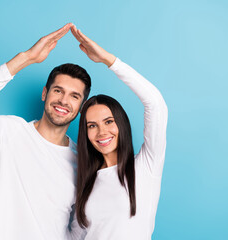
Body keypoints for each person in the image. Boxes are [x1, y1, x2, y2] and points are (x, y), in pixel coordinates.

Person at [0, 23, 91, 240]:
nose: (63, 100)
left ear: (81, 107)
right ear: (45, 93)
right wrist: (26, 58)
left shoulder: (81, 162)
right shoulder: (6, 133)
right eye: (58, 90)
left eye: (74, 96)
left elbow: (78, 231)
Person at [70, 25, 168, 239]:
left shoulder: (146, 166)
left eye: (108, 121)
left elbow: (155, 103)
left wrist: (108, 60)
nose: (101, 132)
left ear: (121, 124)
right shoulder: (86, 184)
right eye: (92, 125)